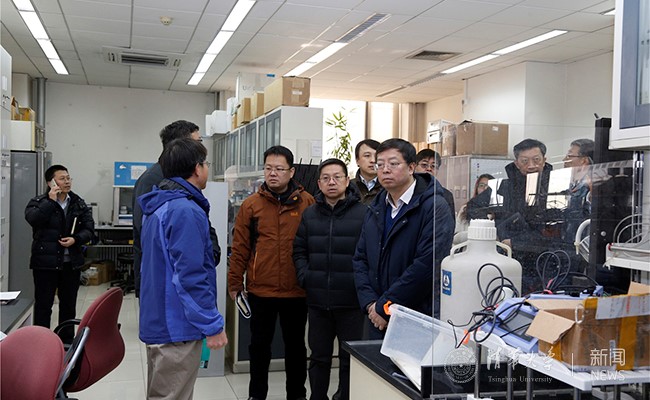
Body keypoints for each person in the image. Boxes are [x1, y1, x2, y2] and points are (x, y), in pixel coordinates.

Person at [138, 138, 227, 400]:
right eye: (206, 163)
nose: (207, 168)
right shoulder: (184, 210)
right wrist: (212, 324)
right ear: (197, 168)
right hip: (176, 327)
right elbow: (190, 276)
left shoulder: (160, 204)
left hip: (161, 320)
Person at [228, 145, 315, 400]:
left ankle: (297, 395)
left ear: (291, 172)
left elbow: (315, 246)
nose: (273, 173)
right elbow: (240, 247)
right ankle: (256, 395)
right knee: (259, 348)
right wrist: (235, 284)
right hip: (261, 290)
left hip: (296, 290)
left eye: (279, 169)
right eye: (268, 168)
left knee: (296, 348)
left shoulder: (308, 203)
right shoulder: (251, 205)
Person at [352, 139, 454, 339]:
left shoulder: (434, 206)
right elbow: (360, 259)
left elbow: (427, 266)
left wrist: (385, 306)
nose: (385, 170)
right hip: (377, 316)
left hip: (415, 316)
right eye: (380, 164)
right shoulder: (377, 207)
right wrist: (371, 303)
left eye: (393, 163)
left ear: (411, 168)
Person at [293, 158, 367, 400]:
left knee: (349, 358)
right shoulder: (310, 214)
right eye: (326, 178)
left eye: (337, 177)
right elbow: (299, 250)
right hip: (318, 302)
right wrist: (306, 277)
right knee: (318, 358)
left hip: (351, 302)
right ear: (319, 183)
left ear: (347, 181)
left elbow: (369, 255)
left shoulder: (364, 214)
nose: (331, 182)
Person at [133, 120, 219, 298]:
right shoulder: (154, 181)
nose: (202, 147)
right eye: (198, 142)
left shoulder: (180, 184)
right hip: (166, 284)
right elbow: (153, 237)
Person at [25, 165, 94, 343]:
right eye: (62, 178)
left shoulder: (78, 203)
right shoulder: (39, 202)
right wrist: (50, 202)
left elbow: (89, 230)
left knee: (68, 306)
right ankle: (41, 343)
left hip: (71, 263)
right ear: (51, 183)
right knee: (43, 305)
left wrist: (76, 239)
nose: (67, 182)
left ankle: (66, 343)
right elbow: (34, 220)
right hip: (45, 264)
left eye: (68, 178)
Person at [496, 138, 554, 294]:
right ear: (516, 163)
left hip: (544, 260)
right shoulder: (505, 187)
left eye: (536, 160)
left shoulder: (555, 186)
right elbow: (487, 213)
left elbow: (552, 231)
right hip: (509, 258)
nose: (531, 165)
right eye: (525, 161)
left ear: (544, 160)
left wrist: (516, 242)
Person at [415, 148, 455, 224]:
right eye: (424, 165)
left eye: (433, 166)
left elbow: (449, 225)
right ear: (414, 167)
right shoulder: (407, 191)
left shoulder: (446, 195)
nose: (429, 169)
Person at [456, 174, 495, 238]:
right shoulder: (465, 209)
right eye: (481, 185)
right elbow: (456, 235)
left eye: (488, 187)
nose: (485, 189)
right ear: (477, 188)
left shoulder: (498, 211)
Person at [351, 139, 382, 205]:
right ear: (357, 160)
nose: (373, 160)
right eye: (367, 156)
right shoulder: (348, 187)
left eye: (377, 156)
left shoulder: (388, 186)